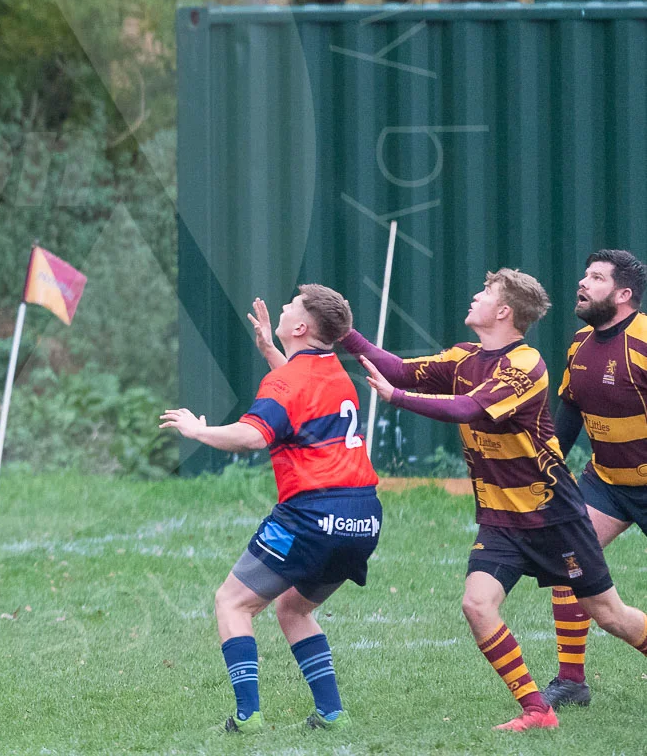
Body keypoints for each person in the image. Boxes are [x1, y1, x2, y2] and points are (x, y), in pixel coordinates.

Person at [352, 269, 647, 732]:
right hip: (501, 518)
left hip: (553, 516)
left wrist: (397, 398)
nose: (474, 296)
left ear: (504, 311)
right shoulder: (464, 357)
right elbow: (398, 368)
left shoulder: (525, 364)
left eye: (485, 292)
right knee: (477, 604)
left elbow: (468, 408)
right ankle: (538, 711)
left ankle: (568, 684)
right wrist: (345, 332)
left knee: (611, 615)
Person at [160, 286, 380, 734]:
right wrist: (268, 350)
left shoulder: (284, 382)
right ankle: (332, 714)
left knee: (232, 602)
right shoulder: (334, 373)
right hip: (364, 517)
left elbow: (253, 436)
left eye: (289, 308)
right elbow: (299, 390)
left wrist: (197, 431)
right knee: (293, 610)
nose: (281, 309)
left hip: (311, 516)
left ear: (300, 327)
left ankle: (248, 717)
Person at [542, 249, 647, 707]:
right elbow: (568, 416)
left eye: (597, 278)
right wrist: (544, 471)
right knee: (567, 560)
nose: (583, 283)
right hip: (607, 482)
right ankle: (571, 681)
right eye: (585, 275)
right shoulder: (579, 343)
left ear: (624, 295)